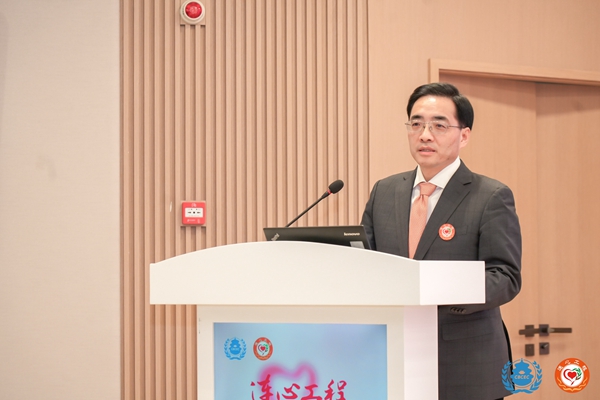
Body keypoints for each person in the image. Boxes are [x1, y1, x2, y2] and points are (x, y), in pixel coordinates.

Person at [361, 82, 522, 400]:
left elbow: (505, 277)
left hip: (465, 364)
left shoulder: (490, 196)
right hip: (393, 357)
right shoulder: (384, 191)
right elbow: (367, 263)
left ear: (464, 135)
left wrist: (437, 289)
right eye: (416, 124)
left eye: (439, 125)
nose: (424, 135)